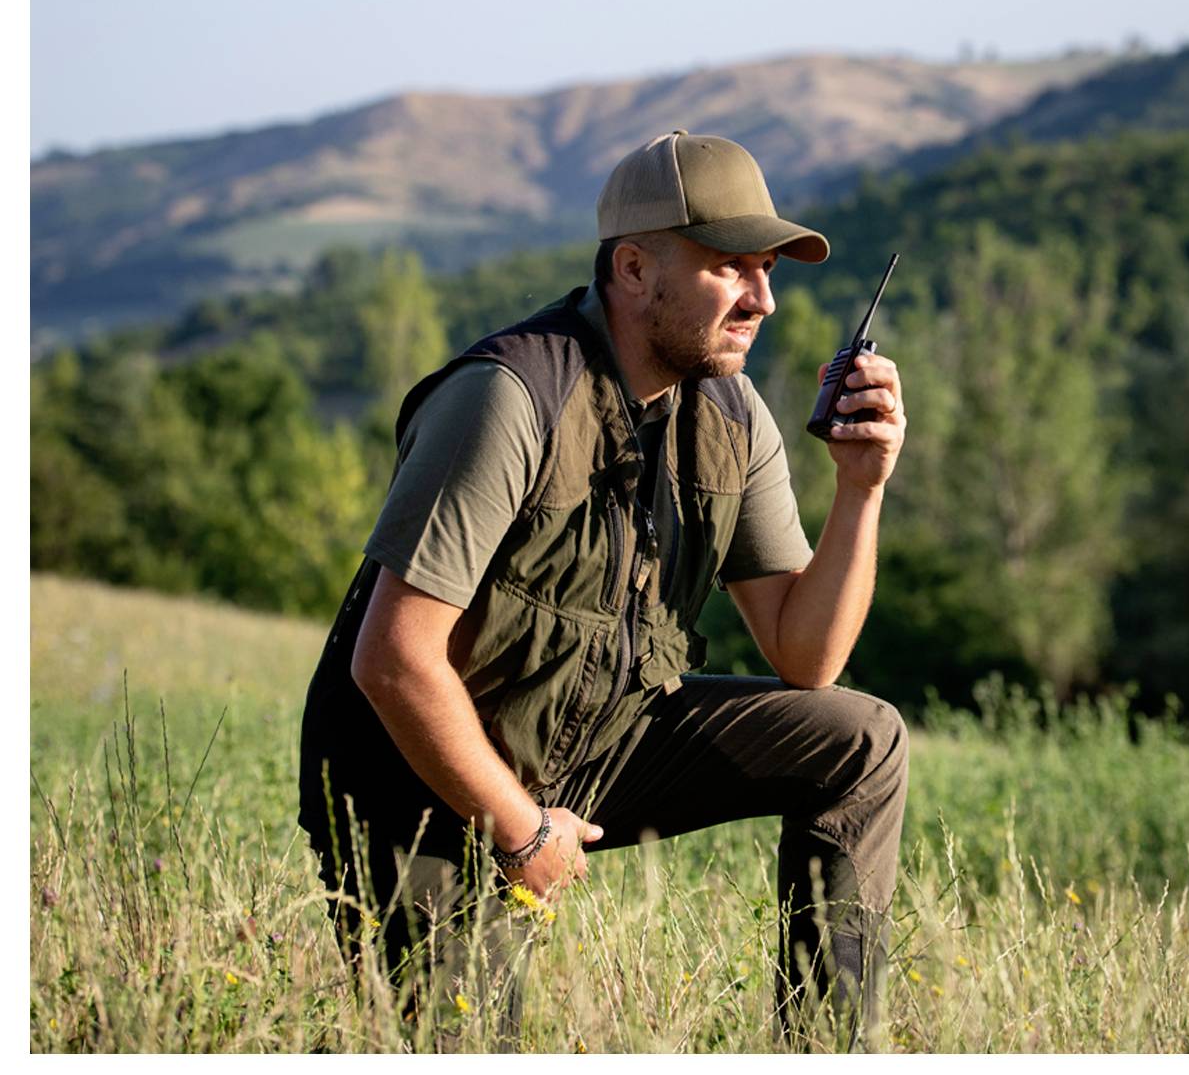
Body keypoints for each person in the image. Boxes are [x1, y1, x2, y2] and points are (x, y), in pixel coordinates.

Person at [297, 130, 909, 1050]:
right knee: (465, 1046)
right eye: (732, 269)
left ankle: (823, 1054)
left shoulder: (732, 414)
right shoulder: (508, 397)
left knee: (858, 739)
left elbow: (804, 653)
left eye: (768, 270)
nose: (765, 300)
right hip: (422, 779)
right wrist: (517, 830)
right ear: (632, 268)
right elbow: (392, 661)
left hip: (601, 733)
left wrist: (861, 489)